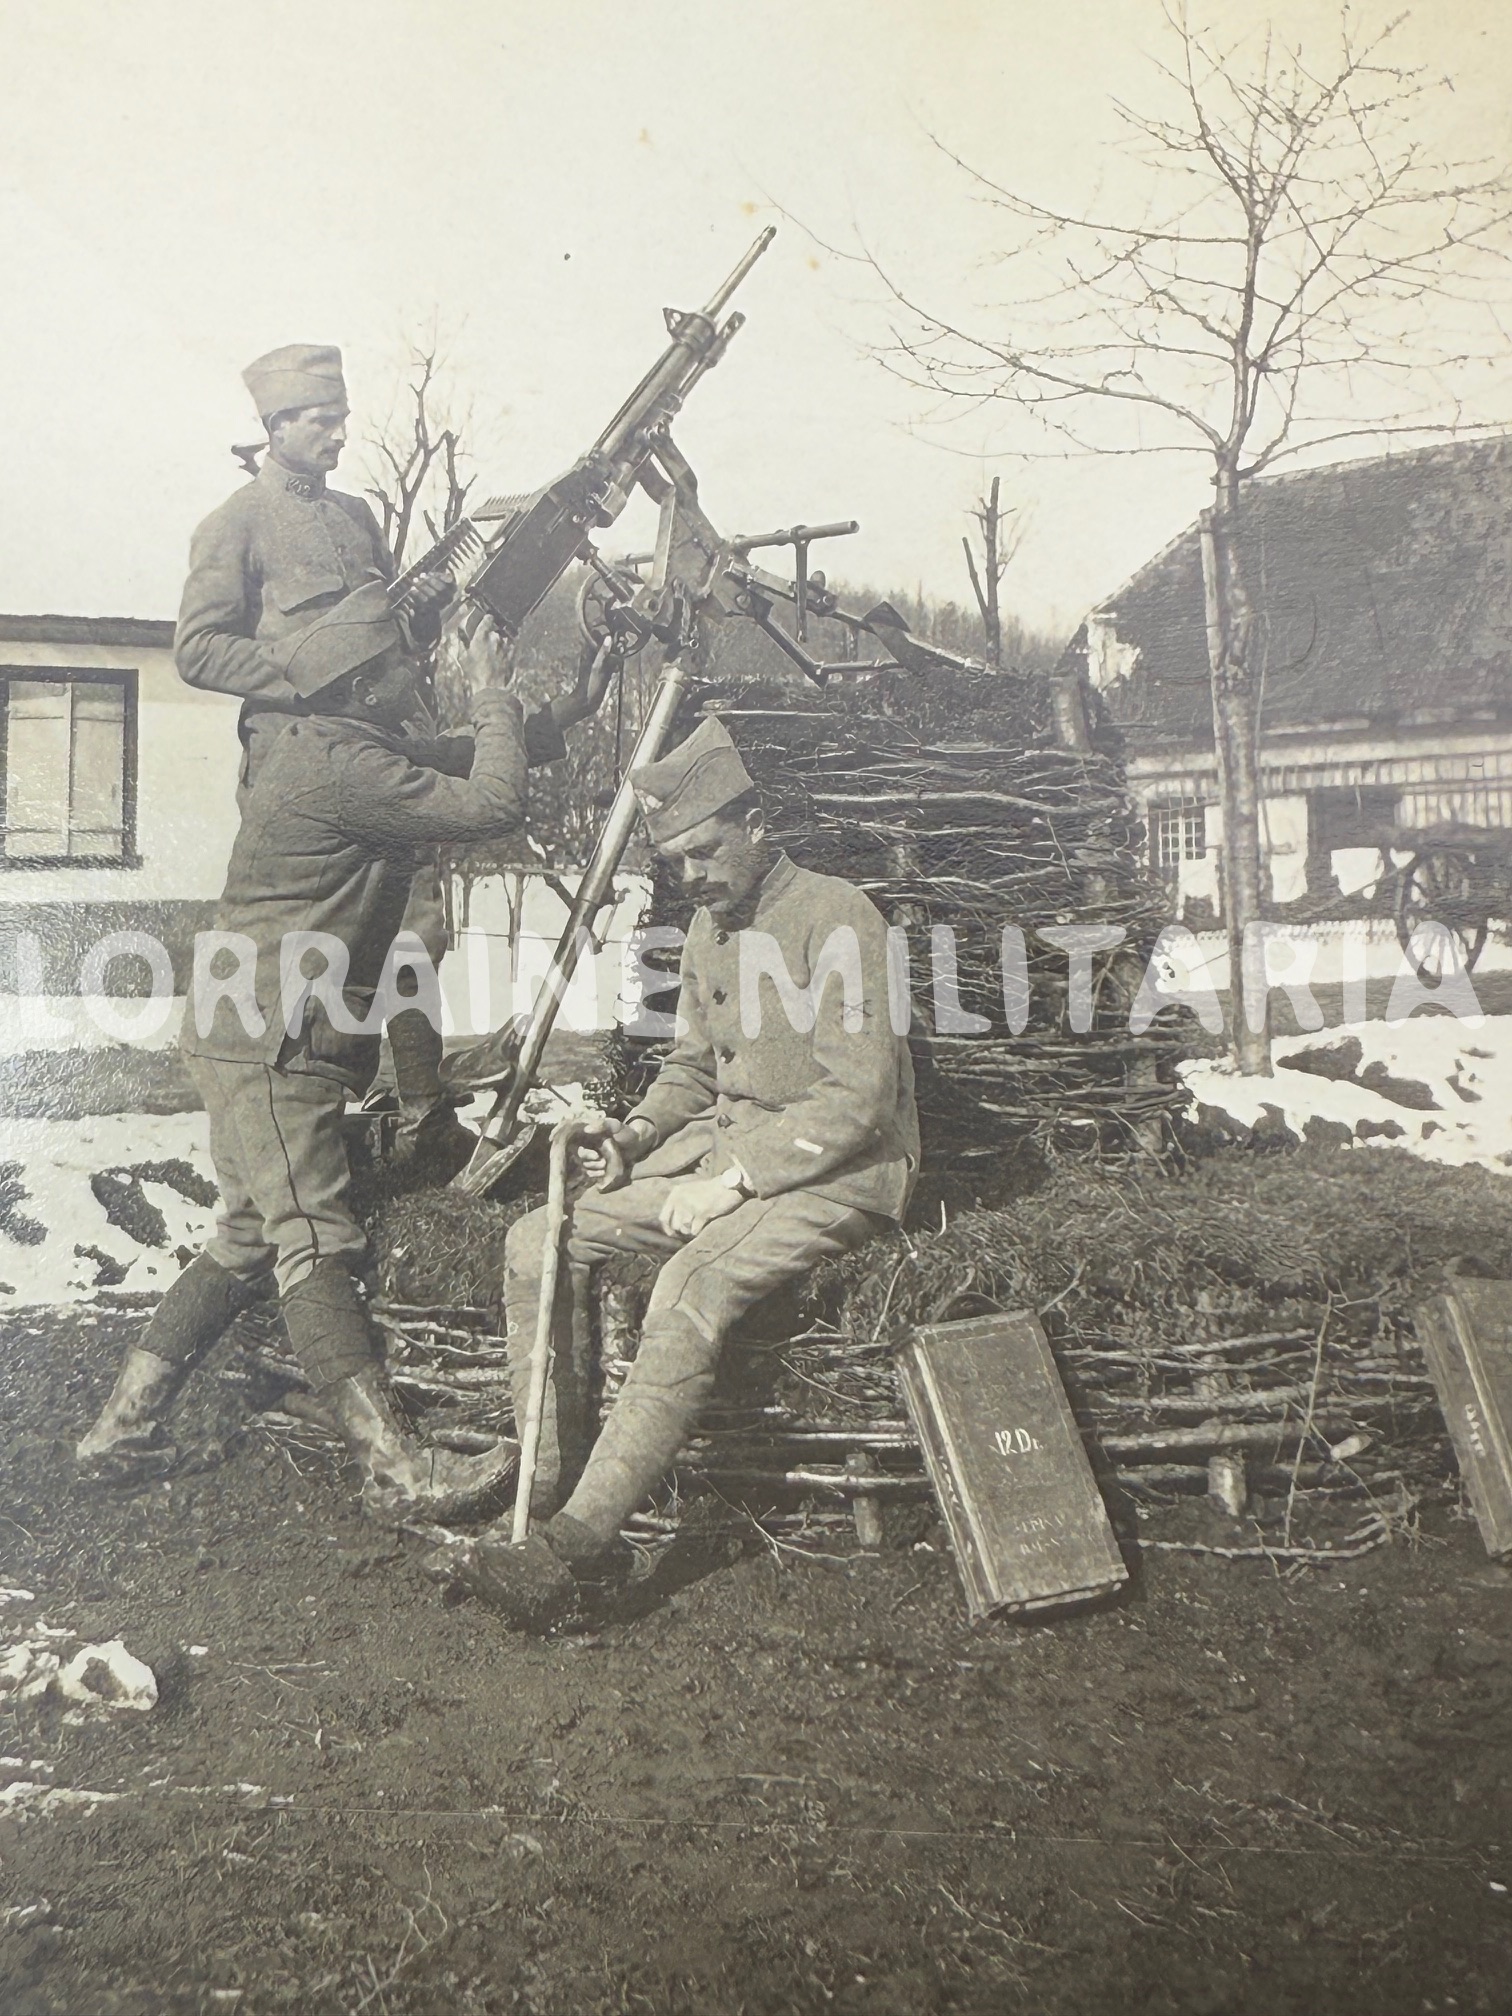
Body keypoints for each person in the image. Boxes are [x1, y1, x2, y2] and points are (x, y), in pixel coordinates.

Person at [433, 715, 920, 1629]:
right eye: (676, 862)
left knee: (692, 1282)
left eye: (704, 852)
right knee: (540, 1237)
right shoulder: (706, 927)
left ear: (756, 823)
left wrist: (731, 1183)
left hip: (839, 1172)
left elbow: (858, 1102)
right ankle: (541, 1497)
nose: (692, 877)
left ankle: (575, 1550)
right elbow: (693, 1069)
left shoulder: (838, 915)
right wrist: (635, 1134)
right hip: (728, 1159)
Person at [77, 584, 537, 1520]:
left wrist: (569, 699)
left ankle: (121, 1431)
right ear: (364, 688)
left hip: (234, 1027)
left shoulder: (317, 741)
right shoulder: (354, 772)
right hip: (275, 1041)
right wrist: (493, 689)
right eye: (403, 664)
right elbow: (493, 798)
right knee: (313, 1240)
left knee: (249, 1236)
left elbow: (454, 759)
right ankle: (396, 1469)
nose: (419, 673)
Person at [173, 341, 605, 1164]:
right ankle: (303, 1115)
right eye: (322, 421)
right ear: (277, 424)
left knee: (414, 928)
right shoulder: (236, 524)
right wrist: (306, 670)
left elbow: (390, 640)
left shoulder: (356, 518)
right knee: (322, 946)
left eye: (342, 419)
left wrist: (426, 613)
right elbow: (196, 651)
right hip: (300, 761)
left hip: (381, 742)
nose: (339, 436)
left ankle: (422, 1111)